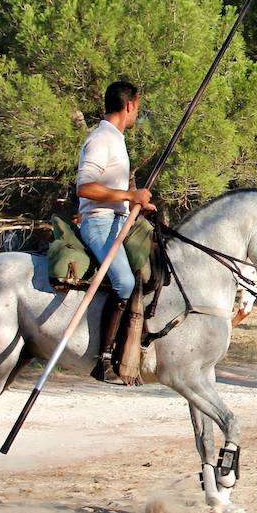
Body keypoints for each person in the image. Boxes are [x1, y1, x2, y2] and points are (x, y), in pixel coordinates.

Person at [75, 81, 154, 380]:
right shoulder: (101, 139)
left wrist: (137, 203)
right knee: (123, 282)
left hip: (117, 220)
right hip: (99, 223)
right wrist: (129, 196)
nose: (138, 113)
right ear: (129, 105)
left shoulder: (116, 138)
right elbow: (86, 187)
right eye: (138, 107)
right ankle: (103, 359)